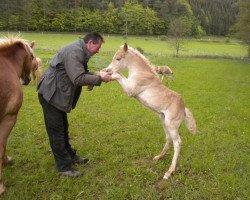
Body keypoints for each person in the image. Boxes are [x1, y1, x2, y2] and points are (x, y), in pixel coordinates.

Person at [38, 32, 112, 177]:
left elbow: (79, 72)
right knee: (57, 132)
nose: (98, 51)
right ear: (90, 43)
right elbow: (78, 78)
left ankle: (70, 156)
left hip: (57, 94)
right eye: (98, 47)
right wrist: (99, 78)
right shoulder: (74, 52)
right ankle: (64, 168)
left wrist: (97, 74)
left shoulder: (79, 51)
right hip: (51, 95)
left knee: (63, 128)